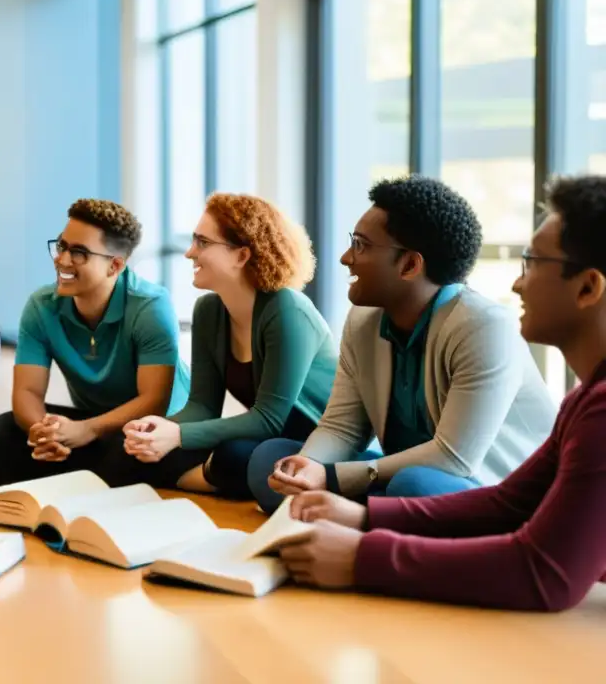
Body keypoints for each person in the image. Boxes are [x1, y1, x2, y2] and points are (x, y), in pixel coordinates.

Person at [275, 174, 606, 612]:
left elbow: (543, 574)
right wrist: (365, 517)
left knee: (413, 482)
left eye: (532, 263)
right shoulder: (585, 400)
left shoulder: (598, 409)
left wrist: (360, 555)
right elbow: (510, 504)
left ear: (587, 288)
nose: (516, 284)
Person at [249, 177, 556, 513]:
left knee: (413, 485)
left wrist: (332, 479)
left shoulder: (483, 326)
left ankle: (359, 517)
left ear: (410, 264)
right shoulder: (363, 320)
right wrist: (306, 471)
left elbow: (452, 459)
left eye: (361, 245)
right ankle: (367, 517)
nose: (345, 258)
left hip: (486, 490)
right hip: (401, 480)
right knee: (271, 458)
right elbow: (342, 427)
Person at [120, 194, 337, 498]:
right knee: (131, 450)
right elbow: (201, 406)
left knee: (234, 455)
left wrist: (178, 436)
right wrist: (158, 430)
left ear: (242, 256)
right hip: (267, 442)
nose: (189, 253)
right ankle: (211, 480)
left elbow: (268, 419)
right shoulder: (208, 311)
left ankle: (202, 480)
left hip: (315, 447)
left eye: (202, 243)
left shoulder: (287, 310)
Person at [0, 198, 189, 486]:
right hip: (93, 422)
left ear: (114, 266)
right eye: (62, 246)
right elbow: (27, 391)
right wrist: (44, 432)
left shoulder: (151, 306)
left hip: (156, 427)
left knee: (128, 450)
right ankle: (82, 479)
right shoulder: (42, 306)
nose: (62, 260)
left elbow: (153, 400)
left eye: (79, 253)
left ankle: (83, 482)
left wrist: (86, 431)